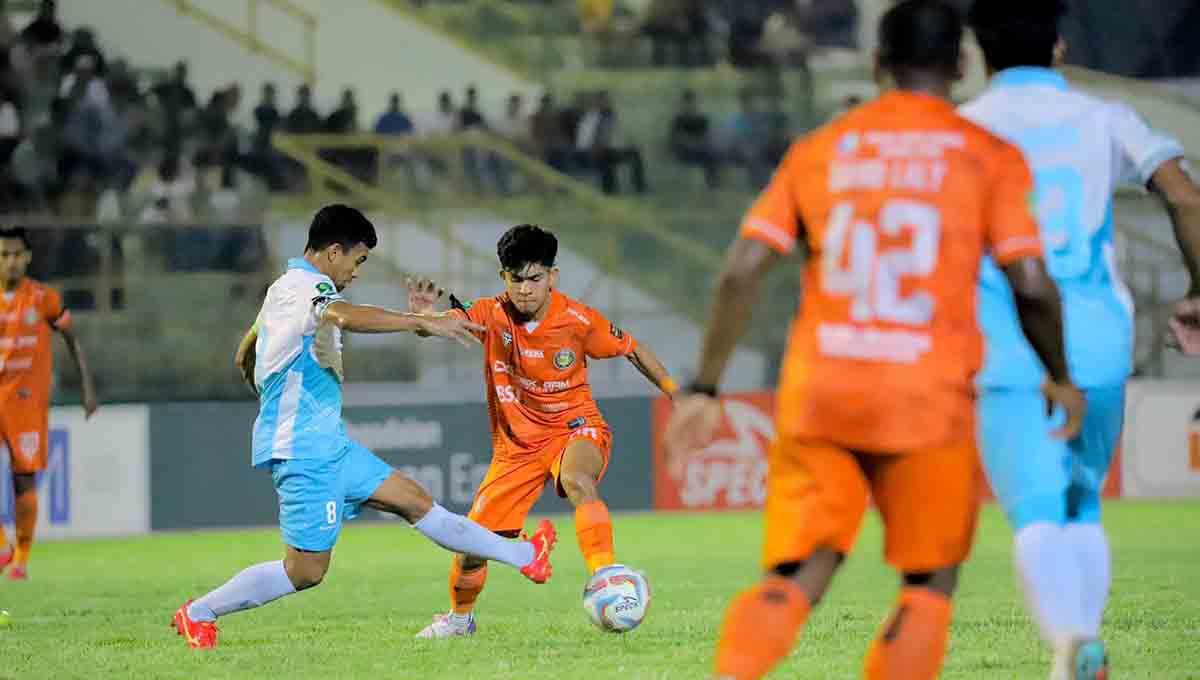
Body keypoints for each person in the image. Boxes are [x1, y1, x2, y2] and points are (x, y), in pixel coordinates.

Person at [662, 2, 1085, 678]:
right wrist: (1059, 374)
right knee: (927, 582)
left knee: (798, 571)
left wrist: (705, 386)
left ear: (878, 63)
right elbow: (1031, 283)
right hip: (928, 396)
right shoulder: (988, 156)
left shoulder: (821, 150)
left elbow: (743, 268)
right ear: (961, 64)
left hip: (824, 389)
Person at [171, 206, 558, 650]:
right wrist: (420, 321)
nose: (355, 272)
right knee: (305, 571)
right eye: (357, 261)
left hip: (328, 446)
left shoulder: (282, 286)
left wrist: (253, 372)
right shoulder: (309, 288)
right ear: (334, 251)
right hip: (304, 452)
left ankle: (525, 555)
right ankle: (198, 613)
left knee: (415, 501)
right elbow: (344, 316)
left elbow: (249, 344)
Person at [961, 2, 1200, 678]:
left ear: (979, 50)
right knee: (1081, 501)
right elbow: (1185, 196)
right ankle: (1081, 645)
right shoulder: (1108, 118)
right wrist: (1198, 289)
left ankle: (1072, 644)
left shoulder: (962, 130)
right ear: (1060, 47)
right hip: (1098, 342)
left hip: (1008, 344)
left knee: (1034, 508)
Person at [412, 224, 677, 638]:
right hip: (516, 448)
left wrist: (677, 393)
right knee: (471, 546)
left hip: (575, 427)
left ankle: (607, 575)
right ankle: (460, 620)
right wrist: (423, 319)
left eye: (534, 278)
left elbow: (633, 349)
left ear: (553, 276)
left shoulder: (578, 319)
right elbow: (442, 323)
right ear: (503, 277)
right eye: (515, 278)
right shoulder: (490, 313)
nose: (524, 289)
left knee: (577, 479)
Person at [0, 226, 98, 581]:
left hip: (25, 403)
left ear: (27, 257)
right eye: (4, 255)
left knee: (23, 479)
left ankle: (20, 558)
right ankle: (3, 546)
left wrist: (87, 386)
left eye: (17, 254)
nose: (11, 261)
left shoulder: (44, 299)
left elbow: (72, 340)